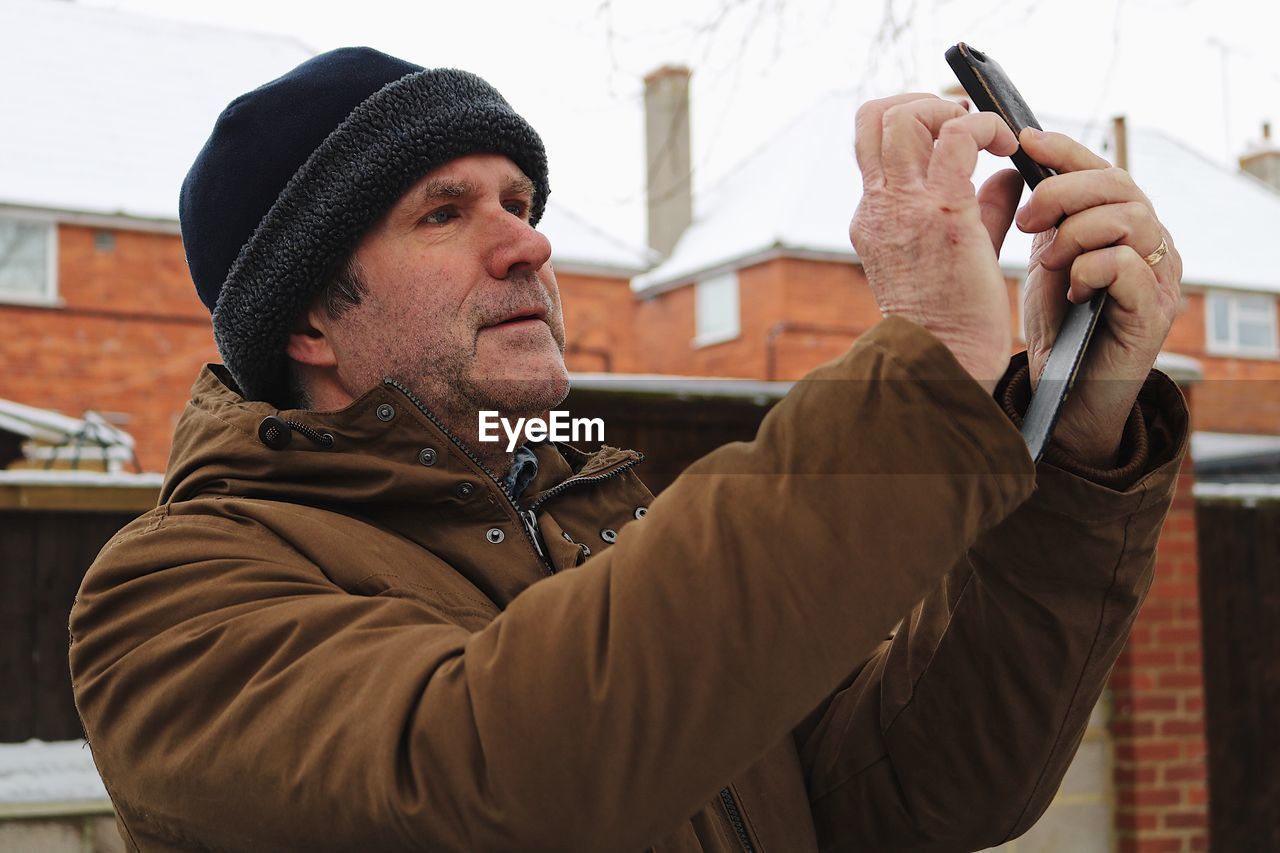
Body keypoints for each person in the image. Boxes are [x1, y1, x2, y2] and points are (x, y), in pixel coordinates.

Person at [69, 47, 1187, 852]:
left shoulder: (599, 516)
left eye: (519, 197)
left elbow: (917, 793)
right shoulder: (173, 596)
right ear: (307, 320)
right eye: (444, 212)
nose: (529, 242)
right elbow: (496, 783)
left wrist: (1066, 441)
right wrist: (931, 359)